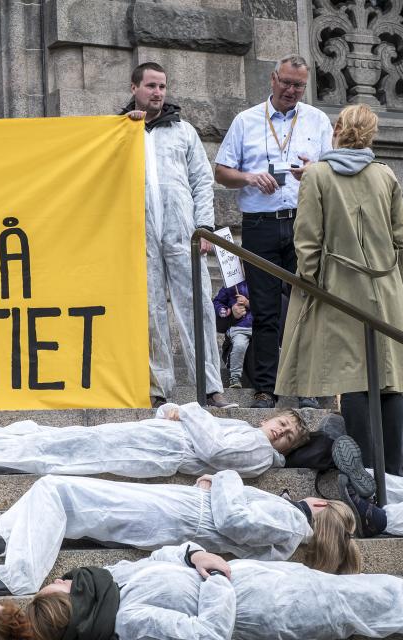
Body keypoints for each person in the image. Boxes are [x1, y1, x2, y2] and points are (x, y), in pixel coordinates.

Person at [274, 103, 403, 476]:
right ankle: (393, 475)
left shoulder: (317, 175)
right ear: (372, 133)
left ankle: (366, 474)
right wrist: (392, 282)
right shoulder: (386, 175)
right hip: (384, 287)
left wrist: (310, 284)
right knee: (388, 381)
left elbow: (307, 240)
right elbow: (401, 240)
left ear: (337, 129)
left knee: (353, 377)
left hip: (338, 288)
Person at [0, 470, 357, 596]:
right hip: (180, 515)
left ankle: (17, 577)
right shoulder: (291, 534)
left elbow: (234, 518)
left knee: (58, 489)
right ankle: (5, 538)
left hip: (180, 513)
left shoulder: (292, 521)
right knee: (57, 493)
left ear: (319, 506)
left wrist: (223, 478)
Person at [15, 542, 403, 640]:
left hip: (269, 579)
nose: (62, 576)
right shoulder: (129, 621)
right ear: (69, 604)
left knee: (383, 591)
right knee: (387, 603)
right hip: (271, 607)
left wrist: (194, 555)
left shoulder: (113, 583)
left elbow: (160, 556)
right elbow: (208, 634)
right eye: (56, 584)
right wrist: (215, 581)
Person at [214, 54, 333, 411]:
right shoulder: (246, 120)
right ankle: (266, 388)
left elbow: (332, 171)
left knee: (307, 307)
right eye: (286, 83)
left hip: (304, 222)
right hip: (260, 225)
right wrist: (250, 177)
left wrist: (314, 171)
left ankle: (308, 385)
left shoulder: (318, 119)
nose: (291, 91)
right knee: (265, 310)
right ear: (272, 79)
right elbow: (221, 171)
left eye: (299, 85)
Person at [121, 62, 235, 410]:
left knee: (196, 304)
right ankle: (158, 387)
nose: (158, 93)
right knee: (150, 308)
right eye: (152, 86)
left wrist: (204, 228)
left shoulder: (184, 131)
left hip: (183, 231)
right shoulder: (120, 132)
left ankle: (211, 387)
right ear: (134, 88)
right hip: (140, 232)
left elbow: (202, 182)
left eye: (163, 87)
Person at [0, 402, 308, 479]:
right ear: (271, 416)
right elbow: (184, 416)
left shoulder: (258, 451)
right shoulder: (246, 430)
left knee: (51, 453)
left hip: (163, 450)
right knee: (51, 437)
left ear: (286, 449)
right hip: (158, 437)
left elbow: (213, 449)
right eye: (283, 423)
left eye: (288, 436)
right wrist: (172, 411)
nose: (281, 432)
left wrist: (190, 411)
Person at [212, 281, 252, 388]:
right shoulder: (231, 284)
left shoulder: (261, 281)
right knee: (239, 345)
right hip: (240, 327)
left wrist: (248, 303)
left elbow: (265, 304)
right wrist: (223, 311)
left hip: (259, 327)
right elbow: (217, 301)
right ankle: (235, 377)